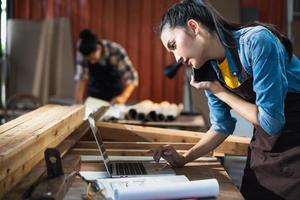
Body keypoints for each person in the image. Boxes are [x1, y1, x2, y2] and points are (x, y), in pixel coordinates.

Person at [153, 0, 300, 199]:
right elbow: (221, 126)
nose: (176, 57)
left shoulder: (256, 42)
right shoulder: (207, 68)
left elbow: (272, 122)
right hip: (266, 144)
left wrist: (218, 90)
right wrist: (184, 158)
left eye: (173, 45)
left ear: (193, 27)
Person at [74, 29, 138, 104]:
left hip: (114, 95)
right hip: (94, 96)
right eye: (88, 60)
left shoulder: (116, 51)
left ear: (99, 48)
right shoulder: (82, 53)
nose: (91, 62)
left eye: (93, 58)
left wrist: (123, 97)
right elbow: (82, 77)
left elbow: (132, 77)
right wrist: (78, 100)